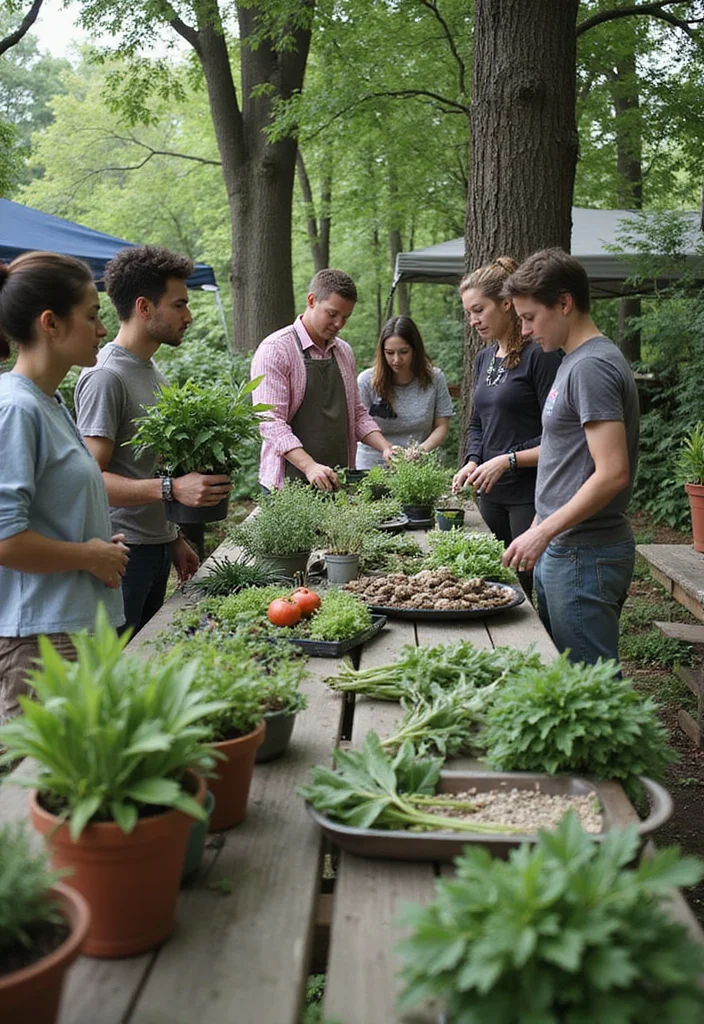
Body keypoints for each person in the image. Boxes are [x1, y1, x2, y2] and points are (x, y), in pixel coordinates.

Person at [75, 246, 230, 637]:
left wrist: (173, 538)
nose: (189, 316)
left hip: (155, 549)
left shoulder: (152, 372)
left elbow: (144, 465)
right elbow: (91, 481)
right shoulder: (105, 376)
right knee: (115, 673)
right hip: (123, 556)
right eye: (179, 305)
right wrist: (172, 489)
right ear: (144, 307)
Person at [0, 252, 128, 724]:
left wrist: (97, 546)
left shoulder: (49, 403)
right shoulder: (16, 409)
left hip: (73, 629)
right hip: (40, 642)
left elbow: (49, 514)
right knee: (33, 791)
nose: (101, 329)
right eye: (92, 316)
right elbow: (6, 540)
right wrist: (89, 556)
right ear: (50, 323)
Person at [501, 247, 640, 666]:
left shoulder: (591, 368)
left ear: (564, 303)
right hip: (565, 548)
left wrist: (544, 532)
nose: (523, 330)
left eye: (529, 317)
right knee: (571, 680)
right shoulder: (571, 361)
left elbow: (613, 472)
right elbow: (569, 452)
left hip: (583, 554)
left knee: (590, 689)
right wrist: (542, 520)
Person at [451, 257, 561, 596]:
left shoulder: (539, 355)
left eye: (479, 310)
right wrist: (472, 459)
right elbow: (477, 422)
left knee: (528, 593)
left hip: (529, 496)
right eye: (469, 313)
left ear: (507, 304)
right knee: (495, 586)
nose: (473, 321)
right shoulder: (484, 358)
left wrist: (506, 459)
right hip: (490, 497)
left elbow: (558, 434)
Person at [250, 269, 394, 492]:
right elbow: (270, 422)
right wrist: (309, 466)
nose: (339, 324)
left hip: (337, 482)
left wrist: (385, 448)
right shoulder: (276, 350)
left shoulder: (344, 351)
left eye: (345, 317)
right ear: (311, 300)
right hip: (286, 487)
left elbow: (355, 413)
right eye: (332, 314)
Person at [356, 315, 454, 468]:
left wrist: (421, 450)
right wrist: (386, 448)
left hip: (418, 466)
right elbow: (359, 423)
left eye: (403, 352)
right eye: (389, 353)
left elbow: (442, 426)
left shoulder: (435, 378)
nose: (396, 359)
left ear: (415, 350)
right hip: (372, 466)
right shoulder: (366, 381)